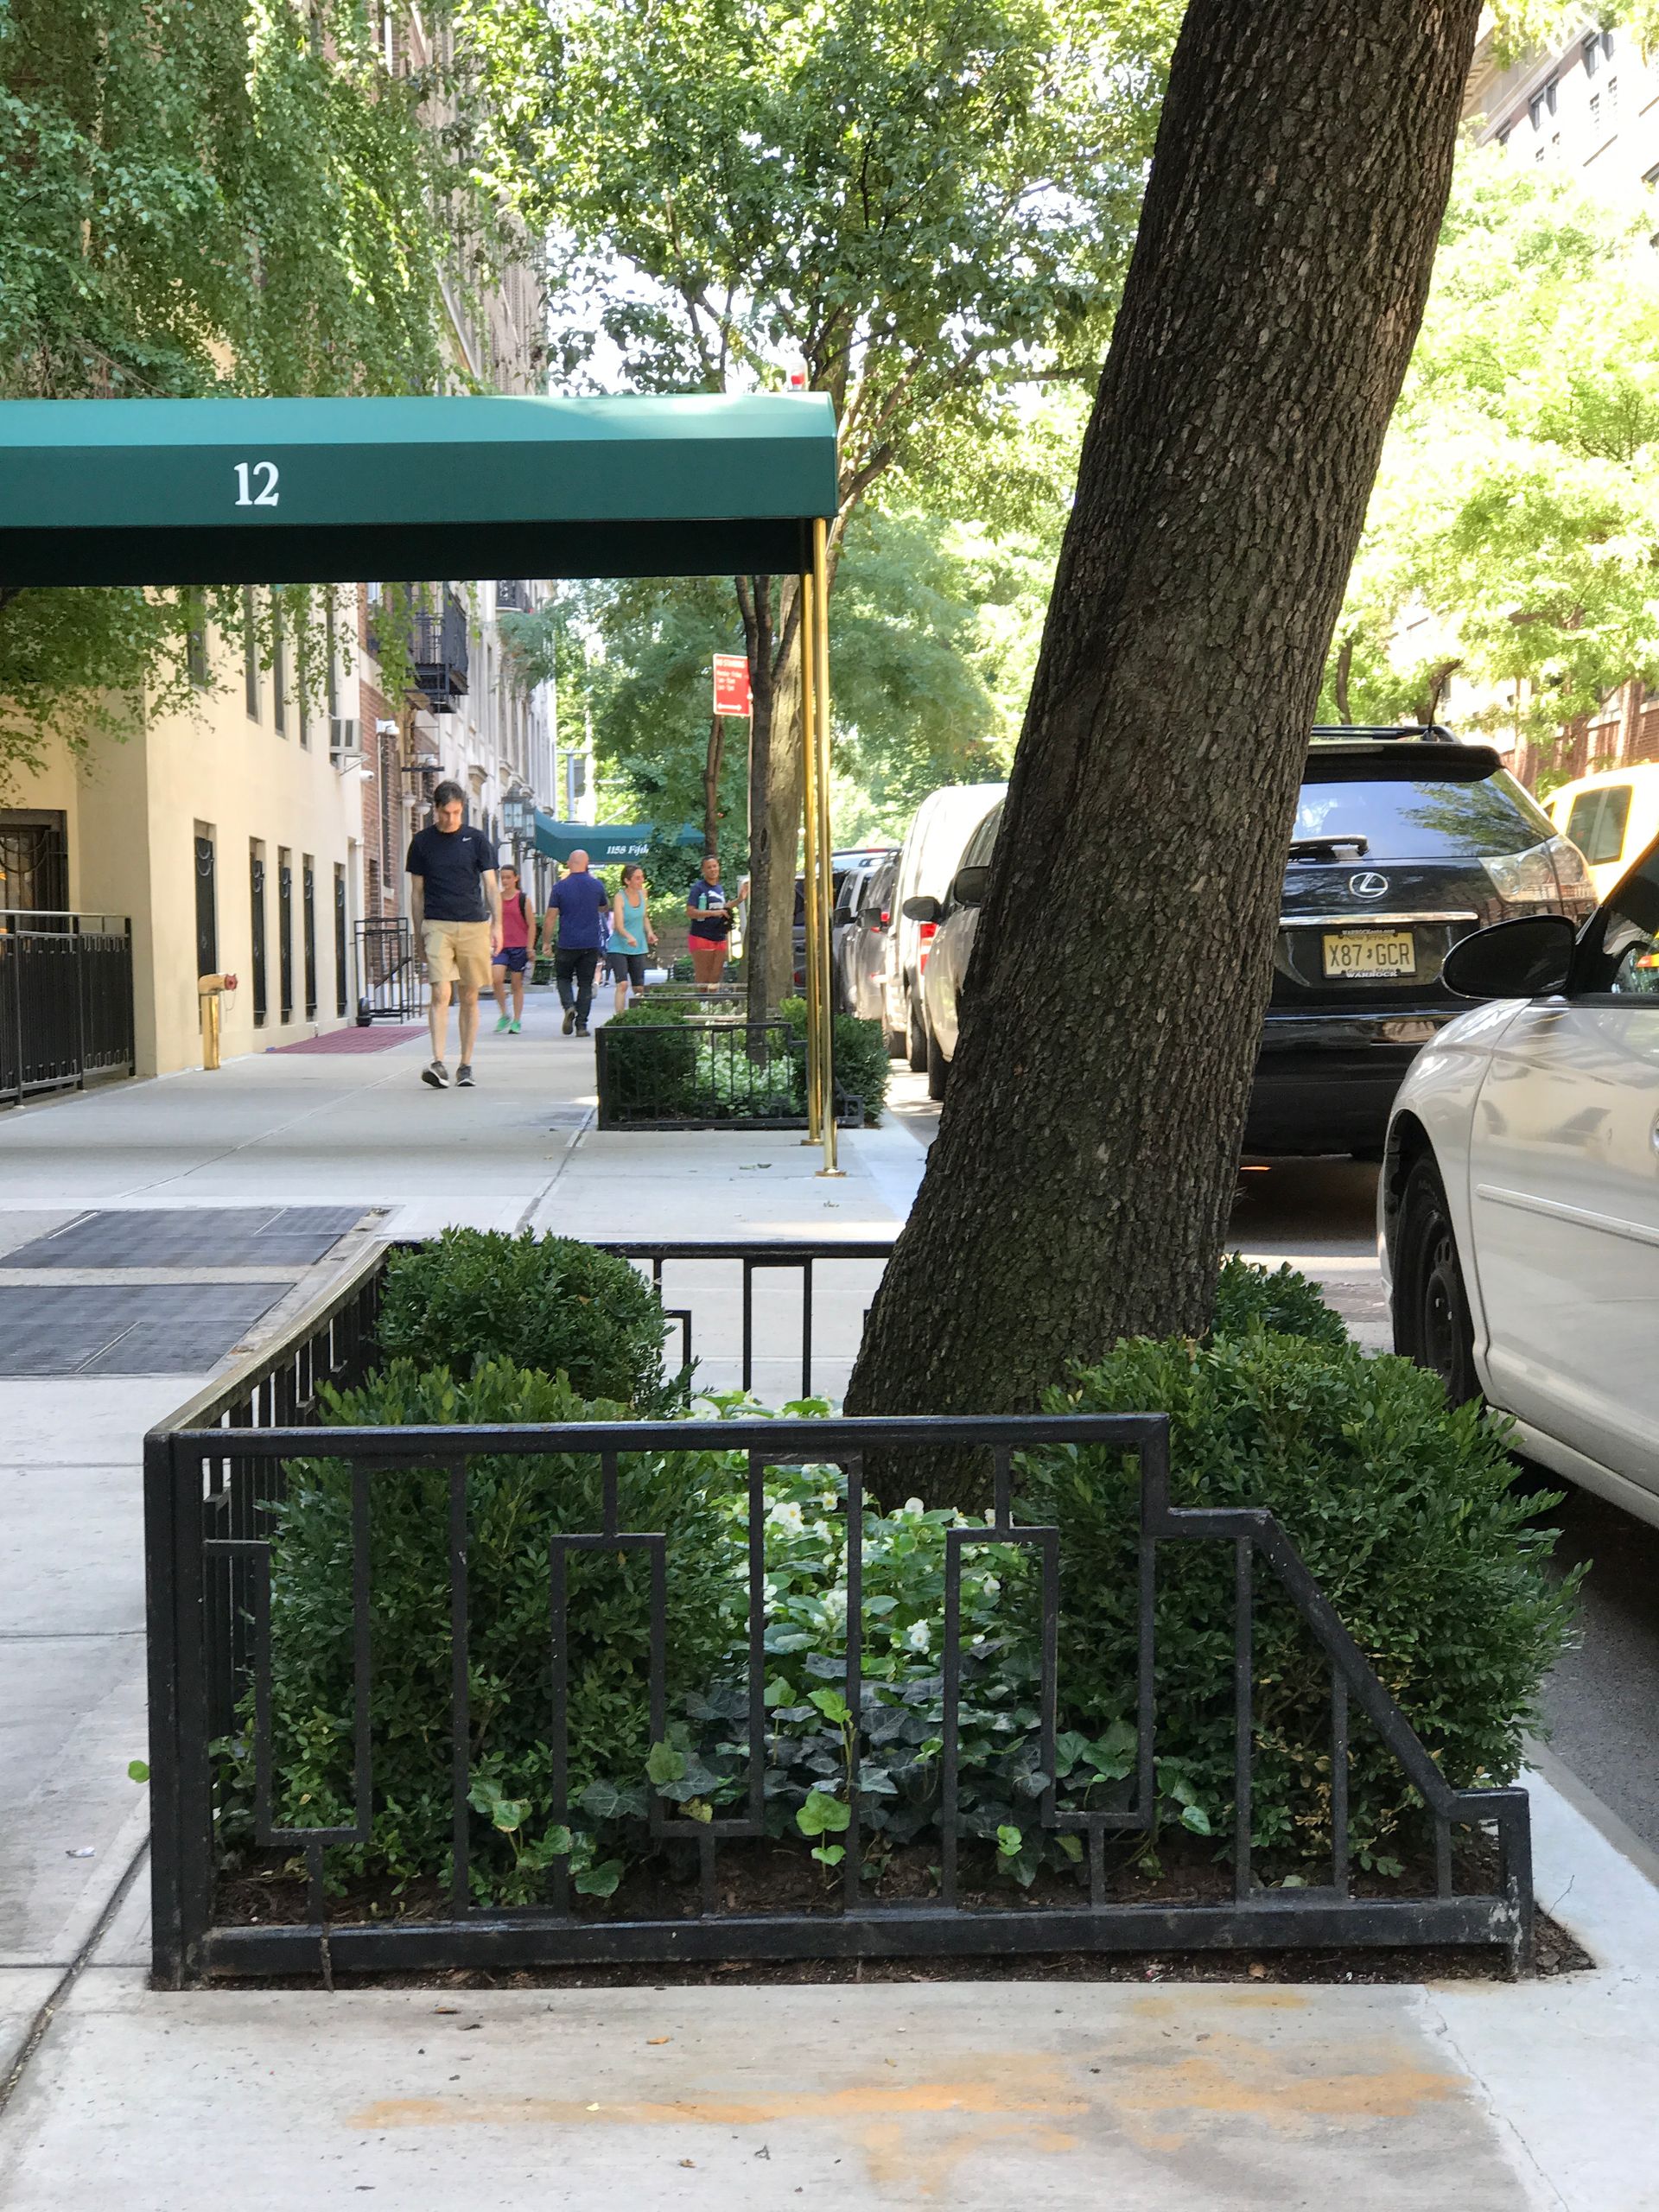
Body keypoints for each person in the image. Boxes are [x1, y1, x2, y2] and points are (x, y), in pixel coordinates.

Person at [406, 780, 500, 1090]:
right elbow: (417, 894)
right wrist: (419, 931)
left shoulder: (476, 840)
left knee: (470, 995)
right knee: (440, 992)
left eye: (457, 813)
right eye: (446, 813)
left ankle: (466, 1064)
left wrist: (496, 925)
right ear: (435, 810)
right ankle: (437, 1062)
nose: (451, 819)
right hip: (437, 923)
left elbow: (490, 886)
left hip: (473, 923)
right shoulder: (422, 843)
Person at [540, 848, 610, 1035]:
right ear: (586, 864)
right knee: (586, 983)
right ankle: (581, 1025)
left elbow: (550, 917)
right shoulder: (596, 886)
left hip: (567, 942)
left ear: (570, 864)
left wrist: (546, 942)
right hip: (590, 943)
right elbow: (604, 907)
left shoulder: (560, 887)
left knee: (563, 978)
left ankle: (569, 1006)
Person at [491, 864, 535, 1033]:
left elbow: (531, 925)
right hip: (501, 946)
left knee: (516, 984)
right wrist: (490, 941)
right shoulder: (497, 899)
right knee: (496, 979)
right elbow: (494, 922)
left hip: (519, 945)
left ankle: (517, 1020)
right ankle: (504, 1014)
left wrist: (530, 948)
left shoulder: (523, 899)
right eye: (502, 878)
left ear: (516, 878)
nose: (505, 881)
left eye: (508, 877)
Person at [607, 862, 658, 1014]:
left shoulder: (644, 894)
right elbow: (618, 925)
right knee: (622, 984)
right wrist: (629, 936)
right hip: (619, 946)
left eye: (642, 877)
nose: (641, 880)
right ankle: (620, 1018)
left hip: (638, 946)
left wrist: (650, 932)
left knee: (639, 987)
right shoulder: (619, 897)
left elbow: (644, 917)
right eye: (637, 878)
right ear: (627, 881)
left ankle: (638, 1017)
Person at [686, 853, 731, 987]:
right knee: (703, 976)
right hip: (702, 936)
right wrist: (714, 913)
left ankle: (713, 1005)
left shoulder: (719, 888)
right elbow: (690, 912)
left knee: (715, 976)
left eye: (715, 866)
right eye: (709, 867)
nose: (713, 869)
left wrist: (740, 899)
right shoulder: (698, 888)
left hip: (719, 935)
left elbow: (723, 908)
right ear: (703, 870)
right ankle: (702, 1004)